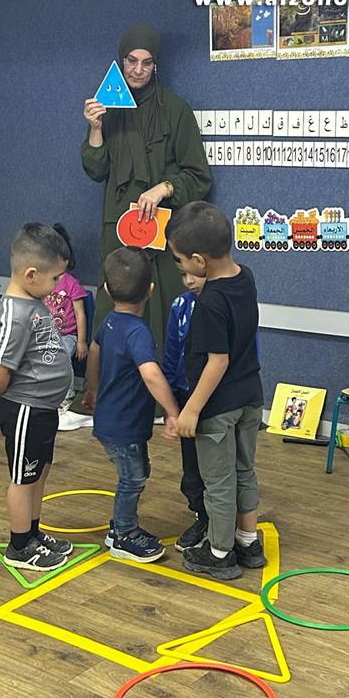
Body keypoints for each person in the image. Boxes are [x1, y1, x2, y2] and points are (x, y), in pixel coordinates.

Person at [81, 23, 212, 361]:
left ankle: (161, 387)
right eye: (131, 61)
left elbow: (199, 176)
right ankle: (107, 384)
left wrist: (164, 188)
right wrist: (95, 128)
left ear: (156, 65)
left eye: (147, 62)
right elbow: (96, 170)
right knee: (115, 310)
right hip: (119, 229)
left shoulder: (175, 109)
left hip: (163, 231)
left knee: (162, 312)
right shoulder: (108, 109)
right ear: (121, 61)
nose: (138, 70)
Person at [166, 201, 266, 581]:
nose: (181, 270)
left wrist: (191, 409)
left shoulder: (209, 302)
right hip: (250, 398)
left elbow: (217, 362)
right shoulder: (246, 277)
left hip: (219, 407)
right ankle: (247, 541)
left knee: (219, 482)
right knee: (244, 470)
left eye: (180, 261)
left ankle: (219, 552)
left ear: (199, 261)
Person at [0, 222, 75, 571]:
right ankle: (19, 546)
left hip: (43, 408)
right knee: (23, 478)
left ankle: (33, 533)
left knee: (39, 472)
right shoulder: (14, 314)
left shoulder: (32, 301)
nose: (57, 286)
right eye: (55, 279)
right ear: (31, 274)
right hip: (25, 408)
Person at [84, 247, 179, 562]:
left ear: (107, 289)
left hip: (114, 421)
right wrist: (173, 412)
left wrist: (92, 388)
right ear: (150, 290)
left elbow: (94, 349)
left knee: (136, 472)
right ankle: (123, 534)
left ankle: (121, 526)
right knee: (133, 478)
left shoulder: (110, 322)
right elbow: (151, 375)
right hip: (123, 426)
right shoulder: (137, 332)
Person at [161, 268, 208, 553]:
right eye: (183, 274)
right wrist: (170, 404)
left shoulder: (226, 303)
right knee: (192, 466)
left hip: (217, 399)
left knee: (219, 466)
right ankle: (202, 515)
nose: (189, 281)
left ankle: (225, 522)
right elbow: (170, 352)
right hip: (184, 394)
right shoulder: (180, 305)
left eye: (196, 274)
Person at [42, 224, 88, 420]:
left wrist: (81, 341)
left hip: (67, 335)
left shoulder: (71, 283)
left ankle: (67, 396)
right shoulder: (41, 281)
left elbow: (80, 314)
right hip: (45, 334)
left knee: (60, 355)